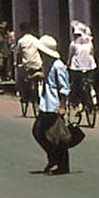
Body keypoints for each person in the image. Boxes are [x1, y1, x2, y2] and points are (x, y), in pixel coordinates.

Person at [31, 34, 70, 175]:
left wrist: (62, 106)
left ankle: (63, 166)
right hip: (45, 104)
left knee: (58, 137)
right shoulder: (48, 64)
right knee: (39, 132)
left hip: (54, 105)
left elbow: (64, 88)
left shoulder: (58, 66)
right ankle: (53, 158)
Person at [68, 20, 96, 110]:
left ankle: (77, 101)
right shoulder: (89, 43)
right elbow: (92, 54)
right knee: (89, 82)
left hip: (76, 68)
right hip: (90, 67)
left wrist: (67, 64)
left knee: (75, 85)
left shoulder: (73, 44)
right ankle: (91, 95)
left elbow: (70, 56)